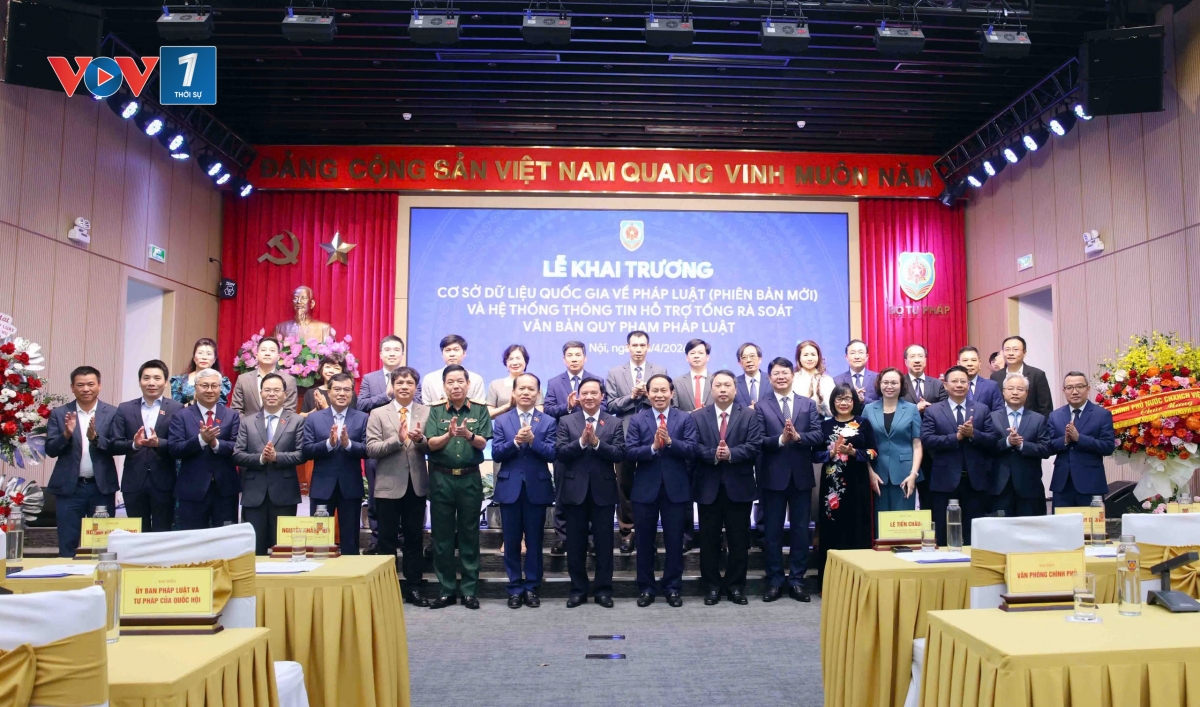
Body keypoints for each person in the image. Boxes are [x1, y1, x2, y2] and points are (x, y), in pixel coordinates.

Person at [625, 374, 697, 607]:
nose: (659, 395)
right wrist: (653, 447)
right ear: (647, 394)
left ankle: (672, 588)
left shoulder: (684, 418)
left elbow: (692, 449)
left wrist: (671, 443)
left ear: (672, 393)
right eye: (654, 391)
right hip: (645, 490)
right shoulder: (637, 420)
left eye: (663, 390)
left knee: (675, 543)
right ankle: (646, 589)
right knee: (644, 543)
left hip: (676, 489)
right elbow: (630, 453)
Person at [425, 364, 493, 610]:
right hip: (441, 479)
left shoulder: (479, 409)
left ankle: (469, 591)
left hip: (469, 479)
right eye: (450, 382)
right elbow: (430, 444)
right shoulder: (434, 411)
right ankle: (446, 590)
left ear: (468, 384)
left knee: (469, 535)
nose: (455, 386)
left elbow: (483, 442)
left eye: (460, 381)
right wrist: (449, 435)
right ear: (444, 386)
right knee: (442, 537)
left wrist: (468, 435)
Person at [692, 370, 763, 606]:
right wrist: (713, 454)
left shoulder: (750, 415)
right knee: (708, 540)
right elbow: (693, 446)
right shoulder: (698, 416)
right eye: (718, 385)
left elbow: (754, 445)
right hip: (708, 487)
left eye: (727, 385)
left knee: (739, 540)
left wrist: (732, 453)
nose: (723, 389)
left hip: (739, 486)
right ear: (711, 389)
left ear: (735, 388)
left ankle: (735, 587)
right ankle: (712, 587)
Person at [757, 358, 824, 602]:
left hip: (801, 478)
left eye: (785, 372)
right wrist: (781, 440)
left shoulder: (808, 404)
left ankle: (797, 581)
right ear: (769, 378)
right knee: (772, 533)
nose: (781, 377)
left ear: (792, 375)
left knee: (800, 532)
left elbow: (818, 435)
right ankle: (775, 581)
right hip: (772, 478)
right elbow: (758, 440)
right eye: (776, 373)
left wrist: (798, 437)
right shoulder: (761, 406)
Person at [555, 377, 624, 608]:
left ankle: (603, 591)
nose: (589, 397)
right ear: (578, 397)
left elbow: (619, 454)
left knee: (604, 545)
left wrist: (596, 444)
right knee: (575, 545)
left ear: (602, 396)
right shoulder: (566, 421)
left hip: (603, 491)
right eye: (584, 393)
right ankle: (578, 590)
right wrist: (582, 443)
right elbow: (560, 452)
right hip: (574, 491)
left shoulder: (613, 422)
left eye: (594, 393)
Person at [365, 366, 431, 606]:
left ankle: (414, 588)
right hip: (388, 486)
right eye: (400, 383)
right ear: (392, 386)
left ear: (416, 387)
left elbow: (432, 446)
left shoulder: (427, 412)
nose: (404, 387)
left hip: (416, 485)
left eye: (409, 383)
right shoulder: (378, 413)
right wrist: (397, 440)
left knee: (414, 539)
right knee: (387, 540)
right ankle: (387, 589)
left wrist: (420, 440)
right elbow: (371, 448)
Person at [491, 373, 557, 608]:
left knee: (535, 541)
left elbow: (552, 454)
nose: (526, 392)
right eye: (522, 388)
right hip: (510, 489)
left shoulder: (548, 421)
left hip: (536, 489)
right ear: (513, 392)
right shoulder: (502, 420)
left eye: (531, 389)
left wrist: (532, 441)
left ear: (538, 393)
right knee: (511, 542)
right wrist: (516, 442)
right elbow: (496, 453)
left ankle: (531, 587)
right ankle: (514, 588)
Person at [45, 366, 121, 557]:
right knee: (67, 542)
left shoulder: (112, 412)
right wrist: (66, 435)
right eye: (80, 385)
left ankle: (102, 575)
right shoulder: (60, 413)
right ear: (72, 387)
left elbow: (117, 446)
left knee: (102, 544)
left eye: (90, 384)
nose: (86, 389)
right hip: (70, 489)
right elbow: (51, 450)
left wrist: (96, 438)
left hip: (101, 488)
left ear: (99, 386)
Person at [605, 330, 668, 554]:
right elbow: (610, 405)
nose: (638, 349)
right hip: (624, 435)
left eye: (642, 345)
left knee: (652, 482)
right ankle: (627, 532)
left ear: (648, 347)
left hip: (653, 435)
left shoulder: (659, 371)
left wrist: (648, 395)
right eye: (635, 345)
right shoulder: (615, 373)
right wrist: (631, 397)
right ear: (627, 347)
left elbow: (666, 401)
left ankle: (648, 531)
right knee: (624, 484)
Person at [920, 366, 997, 545]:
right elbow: (927, 440)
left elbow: (993, 439)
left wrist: (973, 434)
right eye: (954, 381)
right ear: (945, 385)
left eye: (963, 381)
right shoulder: (934, 410)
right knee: (943, 530)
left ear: (969, 385)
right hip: (944, 480)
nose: (959, 385)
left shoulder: (982, 409)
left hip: (974, 481)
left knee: (973, 532)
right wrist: (955, 437)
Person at [542, 340, 605, 554]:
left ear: (585, 358)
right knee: (563, 491)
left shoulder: (597, 381)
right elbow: (548, 411)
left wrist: (589, 403)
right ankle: (562, 537)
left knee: (592, 491)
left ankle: (591, 538)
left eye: (578, 355)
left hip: (593, 443)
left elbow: (605, 406)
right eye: (570, 355)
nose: (574, 359)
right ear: (564, 359)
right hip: (565, 444)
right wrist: (567, 406)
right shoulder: (554, 382)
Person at [357, 335, 418, 552]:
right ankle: (378, 539)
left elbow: (419, 403)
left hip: (408, 449)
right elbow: (361, 405)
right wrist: (386, 395)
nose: (392, 353)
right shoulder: (370, 379)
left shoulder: (410, 377)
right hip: (379, 446)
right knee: (377, 496)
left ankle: (402, 537)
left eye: (396, 350)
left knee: (407, 496)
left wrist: (402, 392)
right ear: (380, 354)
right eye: (387, 350)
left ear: (402, 354)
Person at [233, 373, 305, 555]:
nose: (271, 394)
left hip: (284, 494)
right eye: (267, 390)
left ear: (285, 394)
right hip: (254, 494)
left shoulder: (296, 421)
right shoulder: (247, 422)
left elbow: (302, 454)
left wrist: (276, 457)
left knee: (283, 551)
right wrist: (261, 458)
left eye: (276, 390)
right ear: (261, 393)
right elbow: (237, 454)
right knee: (254, 551)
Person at [112, 360, 183, 533]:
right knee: (138, 534)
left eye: (157, 378)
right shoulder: (125, 408)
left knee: (162, 533)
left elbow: (181, 444)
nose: (151, 383)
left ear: (165, 382)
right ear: (139, 382)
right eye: (146, 378)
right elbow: (114, 444)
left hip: (164, 481)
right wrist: (134, 444)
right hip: (134, 482)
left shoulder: (177, 408)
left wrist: (160, 443)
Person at [302, 373, 368, 556]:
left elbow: (368, 450)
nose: (342, 394)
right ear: (328, 392)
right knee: (320, 540)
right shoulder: (314, 419)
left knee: (350, 540)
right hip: (322, 487)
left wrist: (348, 445)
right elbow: (306, 450)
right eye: (337, 389)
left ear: (352, 393)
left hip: (350, 486)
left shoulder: (362, 418)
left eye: (347, 390)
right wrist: (329, 444)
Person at [814, 384, 878, 568]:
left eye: (848, 398)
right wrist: (831, 453)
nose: (844, 403)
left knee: (857, 525)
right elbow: (815, 455)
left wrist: (853, 452)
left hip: (858, 483)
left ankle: (859, 574)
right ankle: (831, 577)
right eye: (839, 399)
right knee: (832, 527)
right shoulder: (825, 425)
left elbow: (874, 452)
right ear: (833, 402)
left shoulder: (863, 423)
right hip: (832, 486)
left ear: (854, 401)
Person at [168, 368, 241, 529]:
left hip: (225, 489)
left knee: (226, 536)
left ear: (220, 388)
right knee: (193, 537)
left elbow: (238, 447)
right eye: (204, 385)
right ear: (196, 387)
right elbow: (174, 448)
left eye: (214, 386)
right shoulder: (181, 415)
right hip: (192, 489)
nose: (209, 390)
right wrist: (201, 440)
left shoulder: (232, 415)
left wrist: (215, 443)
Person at [1047, 372, 1115, 508]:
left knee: (1090, 522)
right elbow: (1047, 447)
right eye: (1070, 388)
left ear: (1088, 389)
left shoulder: (1102, 415)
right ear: (1064, 391)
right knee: (1061, 521)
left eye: (1079, 386)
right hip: (1062, 485)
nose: (1075, 391)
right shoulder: (1055, 416)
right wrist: (1065, 440)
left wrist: (1079, 438)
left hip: (1091, 483)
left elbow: (1108, 447)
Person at [990, 373, 1053, 517]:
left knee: (1030, 528)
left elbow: (1046, 449)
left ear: (1027, 393)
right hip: (999, 487)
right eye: (1010, 388)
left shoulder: (1038, 419)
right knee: (1001, 528)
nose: (1015, 392)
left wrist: (1022, 444)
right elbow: (986, 447)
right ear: (1003, 391)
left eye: (1020, 389)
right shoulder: (992, 417)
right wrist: (1007, 442)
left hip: (1029, 487)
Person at [861, 368, 922, 514]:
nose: (889, 386)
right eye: (885, 382)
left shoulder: (912, 409)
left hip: (905, 473)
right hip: (877, 472)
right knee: (880, 520)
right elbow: (862, 445)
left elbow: (917, 445)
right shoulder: (868, 409)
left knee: (903, 520)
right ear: (879, 384)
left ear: (901, 385)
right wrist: (870, 472)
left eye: (894, 383)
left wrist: (913, 474)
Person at [903, 344, 947, 509]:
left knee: (929, 495)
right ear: (906, 361)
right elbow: (894, 408)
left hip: (931, 447)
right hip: (906, 445)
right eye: (912, 357)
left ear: (926, 360)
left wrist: (931, 408)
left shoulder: (937, 384)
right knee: (905, 492)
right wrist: (915, 409)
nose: (917, 360)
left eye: (920, 356)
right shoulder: (899, 383)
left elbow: (945, 409)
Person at [989, 336, 1054, 418]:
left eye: (1015, 349)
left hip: (1031, 423)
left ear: (1024, 352)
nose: (1011, 353)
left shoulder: (1037, 375)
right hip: (1003, 423)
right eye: (1007, 349)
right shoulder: (995, 376)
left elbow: (1045, 407)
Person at [230, 338, 298, 417]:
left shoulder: (289, 381)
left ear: (278, 357)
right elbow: (236, 409)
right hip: (246, 424)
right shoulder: (243, 380)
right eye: (263, 350)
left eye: (272, 350)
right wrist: (248, 424)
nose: (267, 353)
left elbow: (289, 412)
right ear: (256, 355)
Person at [420, 334, 486, 404]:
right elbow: (426, 407)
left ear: (464, 353)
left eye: (456, 350)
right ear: (442, 354)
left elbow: (479, 407)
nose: (452, 354)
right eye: (447, 350)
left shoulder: (476, 379)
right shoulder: (429, 379)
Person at [487, 344, 543, 418]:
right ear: (506, 362)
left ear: (525, 361)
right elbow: (488, 414)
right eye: (510, 359)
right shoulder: (495, 385)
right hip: (502, 425)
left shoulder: (534, 383)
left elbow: (540, 413)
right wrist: (507, 406)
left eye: (518, 358)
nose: (515, 363)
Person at [170, 338, 231, 405]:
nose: (204, 357)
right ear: (194, 357)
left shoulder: (222, 382)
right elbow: (176, 407)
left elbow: (220, 407)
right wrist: (193, 402)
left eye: (209, 354)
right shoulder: (179, 381)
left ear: (214, 359)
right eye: (200, 353)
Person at [793, 340, 836, 418]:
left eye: (813, 355)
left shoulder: (827, 380)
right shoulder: (793, 379)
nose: (810, 358)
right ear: (799, 357)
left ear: (818, 357)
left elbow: (831, 411)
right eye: (805, 355)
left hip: (820, 422)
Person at [957, 346, 1003, 414]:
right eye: (965, 360)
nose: (970, 364)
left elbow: (999, 412)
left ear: (979, 363)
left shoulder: (991, 386)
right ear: (958, 364)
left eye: (973, 360)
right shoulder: (951, 387)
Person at [833, 339, 880, 404]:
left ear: (867, 356)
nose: (857, 357)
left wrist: (864, 399)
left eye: (860, 352)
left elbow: (883, 404)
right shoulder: (837, 380)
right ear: (846, 357)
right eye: (852, 353)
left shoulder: (877, 378)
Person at [672, 338, 712, 412]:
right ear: (687, 358)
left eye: (700, 353)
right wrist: (692, 414)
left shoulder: (716, 381)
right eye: (692, 353)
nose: (696, 356)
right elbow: (674, 410)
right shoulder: (677, 383)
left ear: (707, 357)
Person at [734, 342, 765, 409]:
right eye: (744, 357)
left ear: (760, 359)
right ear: (739, 362)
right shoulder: (734, 383)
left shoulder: (771, 380)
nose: (748, 360)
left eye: (752, 356)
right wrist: (746, 412)